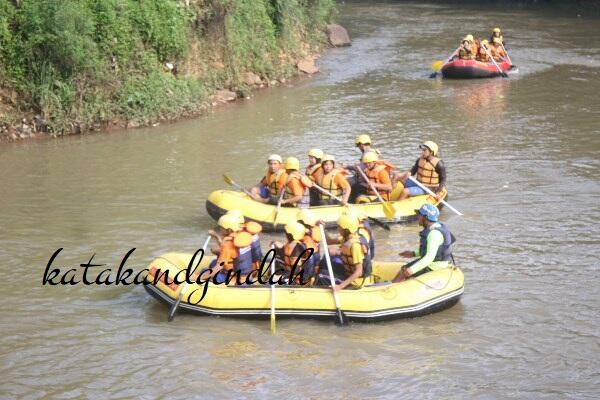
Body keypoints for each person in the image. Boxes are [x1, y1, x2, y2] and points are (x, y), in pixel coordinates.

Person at [393, 204, 455, 282]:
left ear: (425, 217)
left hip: (435, 266)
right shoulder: (437, 227)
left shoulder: (434, 234)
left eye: (419, 215)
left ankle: (388, 291)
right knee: (405, 270)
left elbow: (429, 258)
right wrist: (413, 253)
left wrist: (411, 270)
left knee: (403, 272)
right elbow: (433, 250)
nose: (417, 217)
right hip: (439, 263)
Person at [317, 214, 370, 291]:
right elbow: (329, 241)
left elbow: (359, 271)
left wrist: (340, 286)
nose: (338, 229)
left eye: (340, 227)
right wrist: (322, 227)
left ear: (346, 230)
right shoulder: (346, 238)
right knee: (324, 264)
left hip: (356, 283)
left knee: (321, 275)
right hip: (348, 273)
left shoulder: (355, 246)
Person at [207, 213, 254, 284]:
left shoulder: (228, 244)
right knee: (213, 262)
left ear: (229, 230)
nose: (219, 229)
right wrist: (217, 237)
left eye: (221, 228)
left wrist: (197, 277)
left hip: (236, 280)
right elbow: (231, 253)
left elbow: (217, 268)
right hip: (248, 276)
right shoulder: (243, 237)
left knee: (205, 271)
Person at [296, 209, 322, 282]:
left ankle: (306, 279)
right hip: (313, 265)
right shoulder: (315, 231)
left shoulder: (301, 233)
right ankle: (311, 277)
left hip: (308, 267)